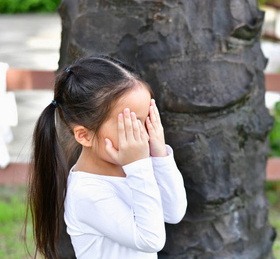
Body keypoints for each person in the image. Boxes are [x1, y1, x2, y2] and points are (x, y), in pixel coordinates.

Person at [27, 55, 187, 259]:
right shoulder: (88, 192)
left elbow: (174, 212)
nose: (143, 135)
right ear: (84, 135)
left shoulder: (130, 168)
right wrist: (139, 167)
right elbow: (151, 239)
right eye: (130, 125)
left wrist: (159, 154)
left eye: (146, 121)